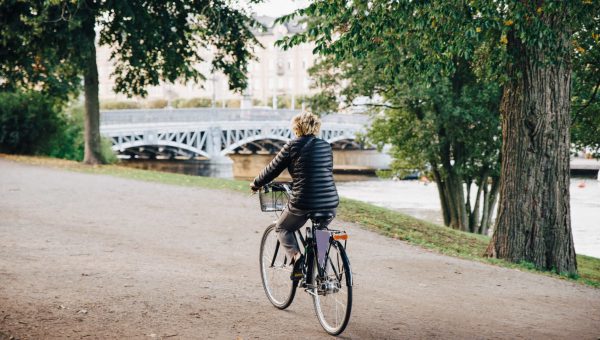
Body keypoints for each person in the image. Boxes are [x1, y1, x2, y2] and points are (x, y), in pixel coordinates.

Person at [251, 112, 339, 279]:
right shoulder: (326, 146)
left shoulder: (292, 146)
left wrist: (256, 183)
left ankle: (296, 257)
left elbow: (272, 170)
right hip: (330, 202)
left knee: (282, 227)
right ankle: (323, 275)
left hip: (304, 201)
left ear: (296, 127)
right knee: (321, 231)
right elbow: (321, 172)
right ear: (316, 127)